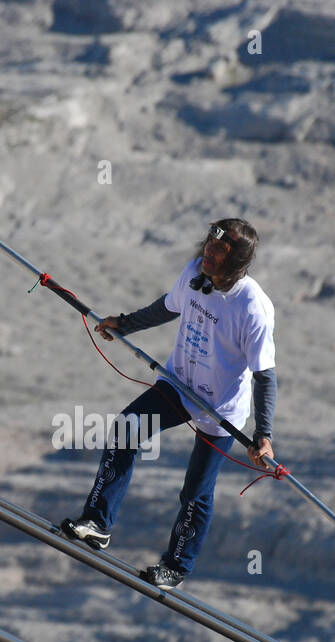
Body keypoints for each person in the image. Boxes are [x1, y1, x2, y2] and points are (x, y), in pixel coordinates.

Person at [60, 218, 277, 590]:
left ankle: (175, 567)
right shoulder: (194, 272)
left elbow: (264, 375)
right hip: (180, 385)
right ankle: (97, 523)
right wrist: (124, 324)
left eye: (217, 252)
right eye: (208, 246)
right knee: (126, 429)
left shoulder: (252, 308)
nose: (206, 254)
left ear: (237, 262)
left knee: (195, 491)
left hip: (220, 410)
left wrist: (264, 434)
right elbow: (168, 306)